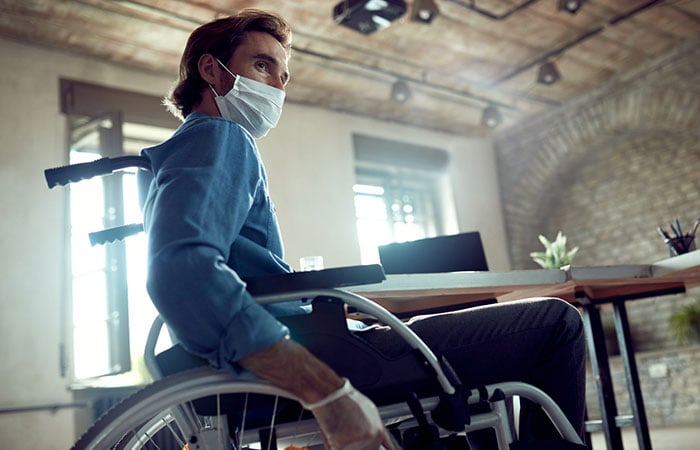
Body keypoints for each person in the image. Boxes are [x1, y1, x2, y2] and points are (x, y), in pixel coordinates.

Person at [141, 8, 586, 450]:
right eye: (262, 65)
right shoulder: (221, 137)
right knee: (555, 321)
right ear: (210, 71)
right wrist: (326, 391)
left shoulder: (186, 151)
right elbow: (181, 274)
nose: (277, 84)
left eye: (283, 75)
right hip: (319, 358)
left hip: (305, 344)